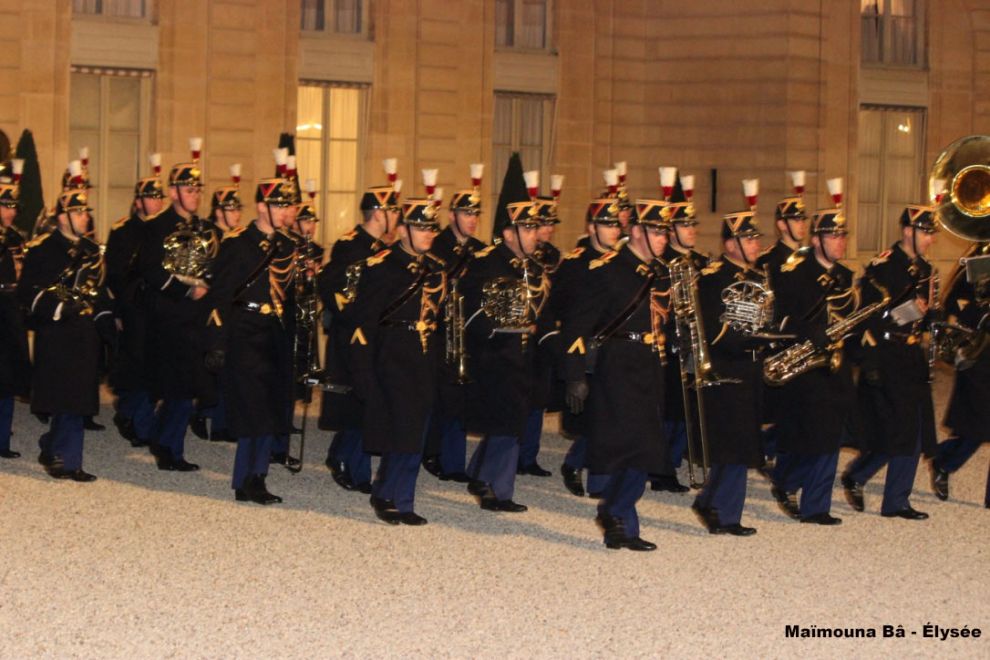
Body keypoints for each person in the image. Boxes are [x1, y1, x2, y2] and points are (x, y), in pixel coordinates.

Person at [561, 199, 673, 551]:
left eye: (664, 232)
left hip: (649, 364)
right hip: (617, 366)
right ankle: (620, 518)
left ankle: (617, 517)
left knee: (647, 449)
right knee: (631, 448)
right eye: (655, 231)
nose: (662, 238)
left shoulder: (660, 272)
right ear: (636, 232)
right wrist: (575, 373)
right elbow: (577, 325)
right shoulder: (606, 269)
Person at [343, 198, 447, 524]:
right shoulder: (382, 266)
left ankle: (405, 498)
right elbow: (363, 323)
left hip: (425, 354)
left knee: (418, 431)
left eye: (431, 228)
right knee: (399, 429)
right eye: (420, 227)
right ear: (402, 230)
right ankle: (384, 493)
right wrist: (363, 371)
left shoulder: (436, 267)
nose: (427, 234)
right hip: (392, 354)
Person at [842, 205, 939, 520]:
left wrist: (930, 316)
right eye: (926, 232)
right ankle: (871, 484)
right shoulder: (882, 266)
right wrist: (869, 362)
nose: (931, 239)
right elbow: (868, 317)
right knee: (895, 430)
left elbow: (921, 317)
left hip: (911, 355)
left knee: (912, 430)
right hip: (886, 355)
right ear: (908, 231)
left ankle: (890, 497)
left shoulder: (925, 269)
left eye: (932, 232)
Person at [206, 178, 297, 504]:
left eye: (287, 205)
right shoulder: (238, 244)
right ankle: (248, 479)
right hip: (244, 330)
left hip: (274, 331)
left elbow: (291, 295)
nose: (286, 211)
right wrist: (217, 341)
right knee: (253, 409)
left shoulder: (288, 245)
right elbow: (220, 296)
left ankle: (257, 475)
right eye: (279, 205)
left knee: (271, 405)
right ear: (262, 207)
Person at [769, 208, 860, 525]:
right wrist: (810, 331)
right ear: (817, 239)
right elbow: (776, 318)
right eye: (833, 236)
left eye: (843, 235)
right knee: (810, 438)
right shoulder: (793, 273)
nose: (840, 242)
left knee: (831, 438)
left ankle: (816, 506)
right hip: (805, 366)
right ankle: (786, 481)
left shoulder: (845, 277)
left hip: (836, 365)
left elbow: (848, 317)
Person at [462, 200, 551, 512]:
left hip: (525, 356)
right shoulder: (486, 262)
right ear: (508, 233)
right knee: (507, 424)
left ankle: (479, 474)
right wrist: (501, 328)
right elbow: (469, 309)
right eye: (527, 228)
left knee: (512, 421)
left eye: (534, 227)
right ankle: (495, 489)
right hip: (495, 354)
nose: (534, 234)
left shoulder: (533, 267)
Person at [17, 189, 112, 481]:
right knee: (64, 398)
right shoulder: (41, 248)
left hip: (84, 333)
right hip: (56, 332)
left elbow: (100, 290)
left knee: (79, 398)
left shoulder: (92, 249)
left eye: (86, 212)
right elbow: (27, 294)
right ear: (62, 217)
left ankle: (54, 449)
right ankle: (67, 460)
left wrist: (107, 320)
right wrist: (60, 306)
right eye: (79, 212)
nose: (85, 217)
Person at [139, 153, 220, 471]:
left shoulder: (203, 227)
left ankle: (164, 442)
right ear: (173, 192)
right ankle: (168, 448)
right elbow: (151, 270)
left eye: (198, 189)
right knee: (180, 387)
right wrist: (187, 289)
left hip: (196, 317)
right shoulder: (157, 226)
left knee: (188, 387)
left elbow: (214, 261)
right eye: (188, 190)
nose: (195, 195)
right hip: (170, 317)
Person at [691, 209, 770, 536]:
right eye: (748, 238)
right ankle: (726, 516)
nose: (755, 243)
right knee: (733, 445)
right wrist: (745, 337)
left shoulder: (757, 277)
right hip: (726, 365)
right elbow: (711, 327)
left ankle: (710, 501)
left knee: (740, 442)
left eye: (756, 237)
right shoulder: (714, 277)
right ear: (729, 243)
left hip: (750, 365)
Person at [318, 184, 398, 492]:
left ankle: (350, 461)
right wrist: (356, 315)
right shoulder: (350, 245)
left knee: (368, 402)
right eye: (393, 210)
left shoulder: (382, 247)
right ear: (378, 213)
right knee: (356, 401)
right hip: (352, 335)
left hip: (375, 334)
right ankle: (347, 463)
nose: (396, 216)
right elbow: (330, 285)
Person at [556, 198, 624, 498]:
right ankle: (588, 473)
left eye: (616, 224)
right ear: (591, 227)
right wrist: (573, 369)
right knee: (596, 419)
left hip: (617, 352)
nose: (613, 230)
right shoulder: (576, 264)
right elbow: (565, 315)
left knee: (611, 419)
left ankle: (582, 464)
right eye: (607, 224)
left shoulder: (623, 262)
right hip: (587, 350)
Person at [422, 182, 487, 482]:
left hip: (467, 330)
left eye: (475, 213)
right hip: (440, 330)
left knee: (461, 398)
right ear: (451, 216)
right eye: (465, 213)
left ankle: (453, 461)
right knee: (438, 396)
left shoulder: (480, 249)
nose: (472, 219)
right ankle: (431, 452)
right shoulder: (436, 245)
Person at [104, 168, 166, 448]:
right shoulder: (123, 231)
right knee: (138, 365)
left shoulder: (166, 229)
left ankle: (132, 413)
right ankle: (140, 423)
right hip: (134, 308)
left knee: (157, 365)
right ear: (138, 201)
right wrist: (119, 310)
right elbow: (115, 275)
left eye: (159, 197)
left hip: (161, 307)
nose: (157, 202)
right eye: (151, 198)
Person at [931, 242, 990, 508]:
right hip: (978, 352)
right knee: (977, 427)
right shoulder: (981, 255)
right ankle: (943, 460)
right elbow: (952, 300)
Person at [190, 178, 244, 443]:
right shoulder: (208, 236)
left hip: (231, 307)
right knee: (209, 365)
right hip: (208, 307)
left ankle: (223, 422)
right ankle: (201, 410)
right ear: (219, 211)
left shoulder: (239, 238)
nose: (237, 214)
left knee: (228, 367)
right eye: (231, 209)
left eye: (238, 209)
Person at [0, 170, 30, 458]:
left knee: (8, 378)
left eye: (13, 207)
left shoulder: (16, 237)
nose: (10, 212)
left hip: (12, 308)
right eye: (5, 206)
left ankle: (2, 441)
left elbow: (27, 272)